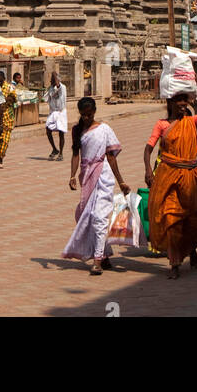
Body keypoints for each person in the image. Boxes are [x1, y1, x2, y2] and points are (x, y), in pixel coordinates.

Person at [144, 91, 197, 280]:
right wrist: (148, 171)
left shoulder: (190, 122)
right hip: (167, 178)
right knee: (171, 218)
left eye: (185, 100)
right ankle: (174, 263)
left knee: (191, 220)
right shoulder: (162, 124)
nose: (183, 104)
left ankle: (191, 251)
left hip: (190, 178)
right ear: (171, 102)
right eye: (180, 100)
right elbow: (148, 148)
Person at [63, 98, 130, 275]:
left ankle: (98, 260)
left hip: (103, 175)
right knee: (86, 215)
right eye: (83, 114)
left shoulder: (104, 129)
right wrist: (72, 175)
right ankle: (105, 255)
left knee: (99, 217)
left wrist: (121, 181)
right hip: (87, 175)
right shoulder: (77, 130)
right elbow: (75, 154)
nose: (86, 117)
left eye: (89, 114)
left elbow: (111, 157)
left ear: (94, 111)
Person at [0, 70, 17, 167]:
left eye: (1, 81)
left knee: (5, 140)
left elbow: (13, 99)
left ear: (4, 79)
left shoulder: (10, 87)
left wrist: (5, 103)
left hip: (7, 117)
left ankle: (0, 157)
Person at [44, 71, 68, 160]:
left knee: (61, 133)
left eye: (53, 79)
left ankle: (61, 153)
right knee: (48, 129)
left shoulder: (62, 87)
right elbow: (45, 98)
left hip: (61, 112)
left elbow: (58, 86)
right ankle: (54, 149)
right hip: (53, 112)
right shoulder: (50, 88)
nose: (52, 81)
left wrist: (54, 74)